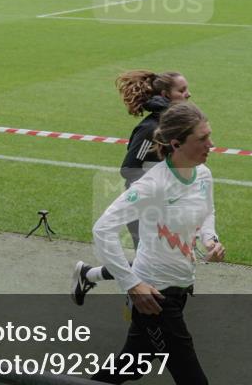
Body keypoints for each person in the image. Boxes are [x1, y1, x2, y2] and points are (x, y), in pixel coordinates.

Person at [87, 102, 224, 385]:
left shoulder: (203, 174)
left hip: (180, 287)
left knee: (132, 365)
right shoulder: (153, 184)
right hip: (154, 296)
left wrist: (210, 240)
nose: (211, 144)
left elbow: (207, 211)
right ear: (176, 144)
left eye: (209, 136)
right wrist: (131, 284)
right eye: (202, 138)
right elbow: (103, 228)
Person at [71, 71, 190, 305]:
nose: (188, 94)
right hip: (143, 207)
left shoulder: (175, 126)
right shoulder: (150, 128)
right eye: (182, 90)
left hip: (166, 206)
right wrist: (154, 193)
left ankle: (88, 275)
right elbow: (129, 168)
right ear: (166, 94)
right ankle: (135, 309)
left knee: (159, 259)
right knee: (151, 263)